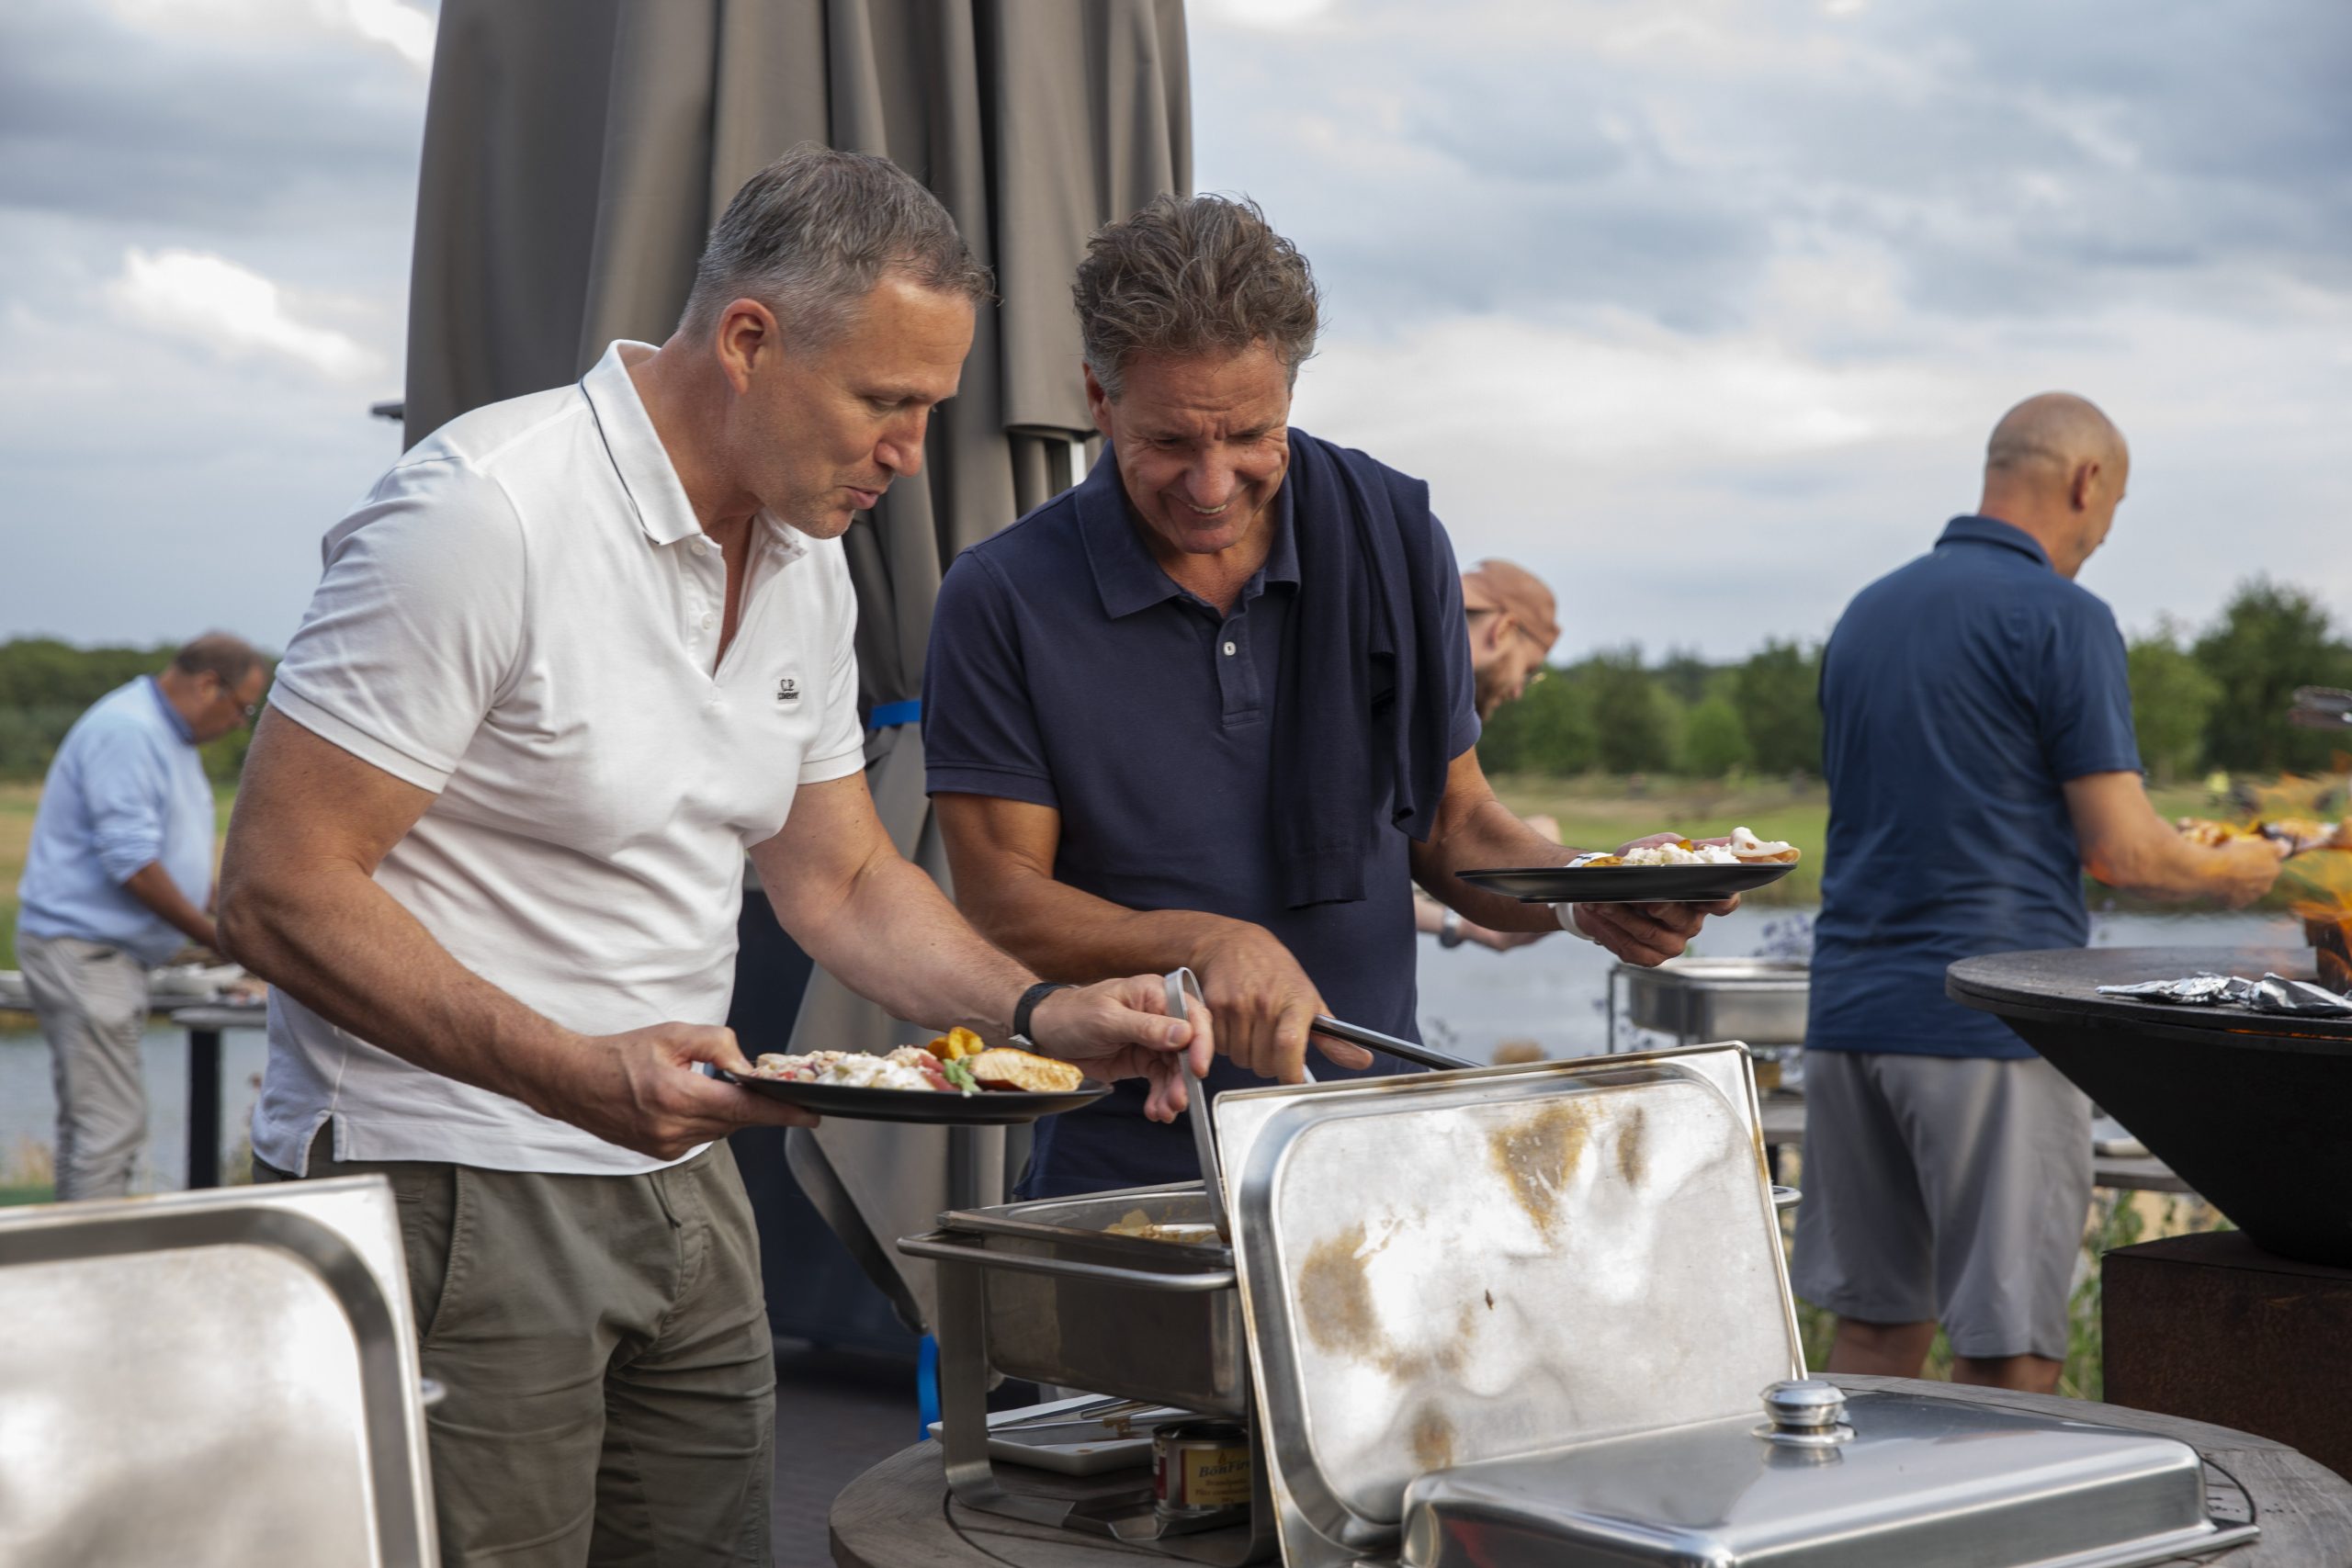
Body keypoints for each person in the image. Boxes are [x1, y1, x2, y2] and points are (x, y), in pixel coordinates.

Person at [215, 147, 1209, 1568]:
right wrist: (568, 1069)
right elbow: (276, 886)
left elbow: (842, 879)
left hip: (685, 1168)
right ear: (748, 339)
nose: (909, 451)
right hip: (450, 1173)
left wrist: (1038, 1013)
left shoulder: (806, 555)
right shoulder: (480, 513)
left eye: (931, 409)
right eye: (884, 401)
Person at [922, 195, 1726, 1199]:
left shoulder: (1395, 537)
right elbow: (1001, 900)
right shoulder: (1001, 595)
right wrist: (1207, 943)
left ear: (1291, 393)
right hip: (1129, 1165)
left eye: (1250, 435)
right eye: (1171, 441)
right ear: (1098, 396)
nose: (1212, 484)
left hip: (1386, 1148)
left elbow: (1454, 823)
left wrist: (1587, 892)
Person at [1798, 392, 2284, 1394]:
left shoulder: (1868, 612)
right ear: (2085, 480)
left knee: (1875, 1337)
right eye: (2114, 508)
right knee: (2009, 1349)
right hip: (1990, 1023)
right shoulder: (2062, 616)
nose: (2103, 534)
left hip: (1848, 1017)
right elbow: (2124, 853)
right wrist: (2241, 867)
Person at [15, 634, 264, 1201]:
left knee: (96, 1126)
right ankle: (89, 1254)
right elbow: (132, 863)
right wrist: (220, 939)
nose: (239, 724)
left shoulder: (164, 736)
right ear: (209, 686)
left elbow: (172, 860)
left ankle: (77, 1244)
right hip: (86, 951)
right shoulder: (130, 732)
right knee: (109, 1130)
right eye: (243, 708)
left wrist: (238, 913)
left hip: (106, 955)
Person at [1419, 558, 1562, 952]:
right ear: (1503, 630)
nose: (1517, 691)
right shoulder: (1419, 703)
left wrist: (1459, 924)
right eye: (1528, 670)